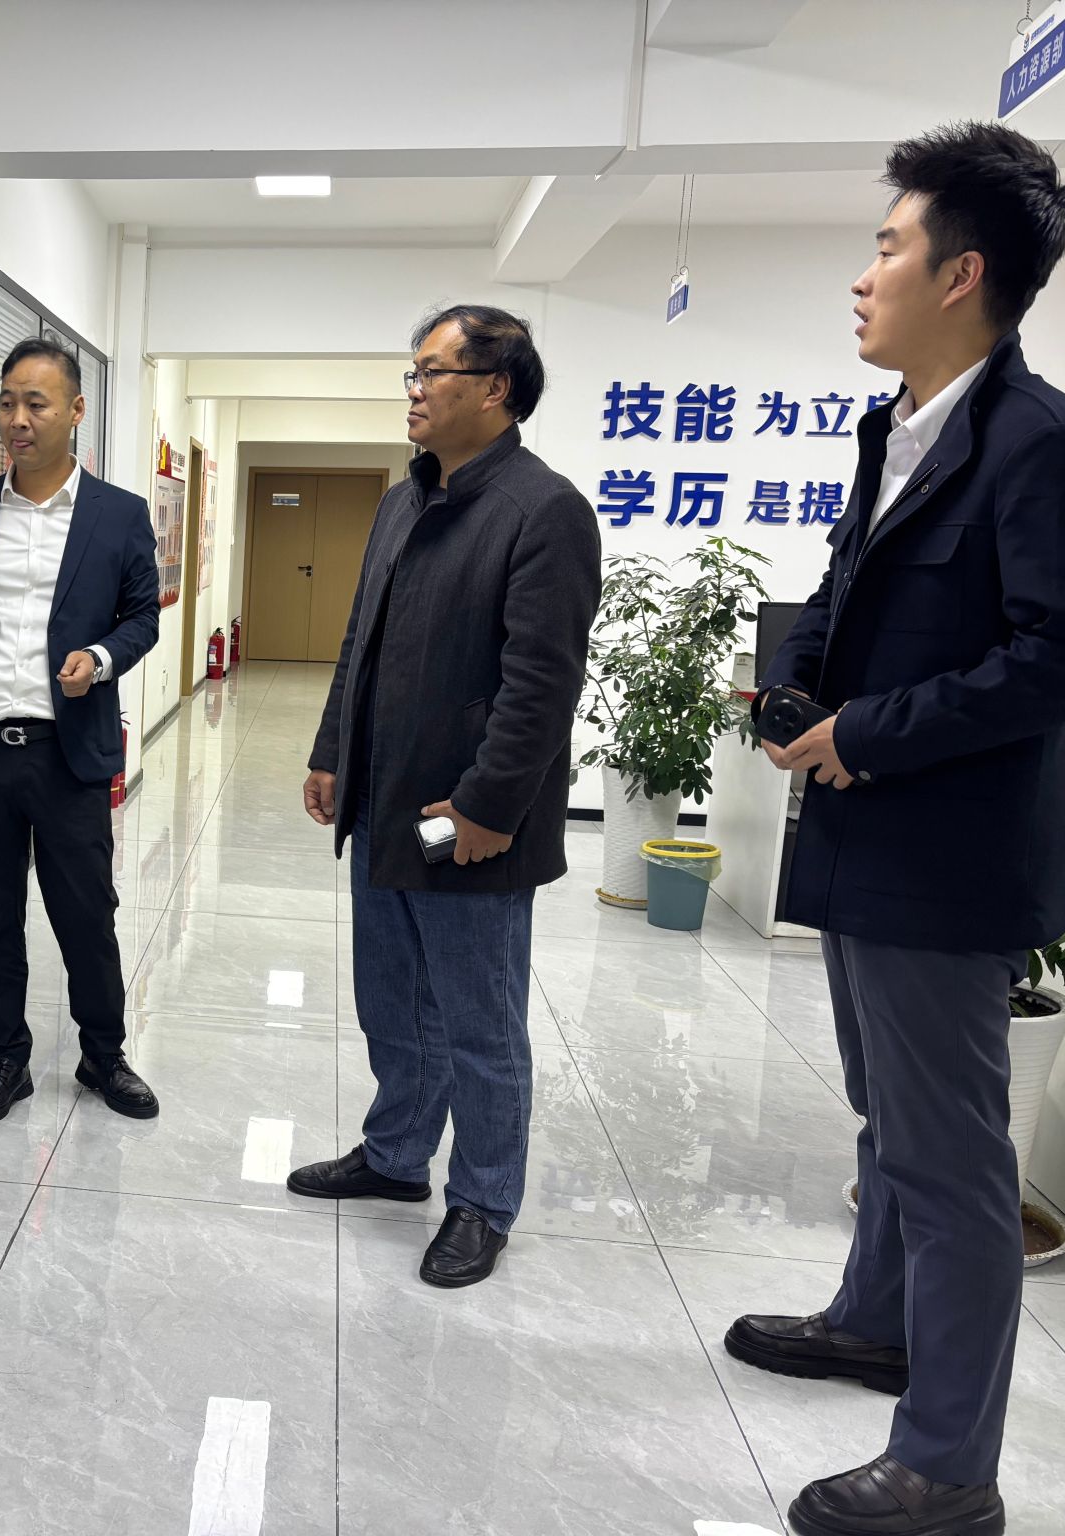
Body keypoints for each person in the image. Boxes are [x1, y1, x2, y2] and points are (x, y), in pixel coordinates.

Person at [725, 123, 1065, 1536]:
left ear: (960, 275)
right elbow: (845, 596)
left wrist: (870, 733)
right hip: (859, 838)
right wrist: (794, 686)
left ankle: (949, 1469)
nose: (863, 273)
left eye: (886, 247)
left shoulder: (1043, 444)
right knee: (884, 1114)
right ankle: (873, 1320)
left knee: (952, 1168)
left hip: (944, 864)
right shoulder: (894, 429)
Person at [287, 306, 600, 1289]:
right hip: (385, 806)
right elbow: (359, 642)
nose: (414, 390)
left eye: (433, 373)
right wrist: (331, 751)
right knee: (391, 1000)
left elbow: (540, 686)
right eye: (412, 374)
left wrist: (486, 810)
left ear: (496, 389)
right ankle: (394, 1156)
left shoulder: (542, 510)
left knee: (478, 1020)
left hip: (463, 822)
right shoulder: (402, 501)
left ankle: (484, 1200)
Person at [0, 337, 160, 1127]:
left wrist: (101, 658)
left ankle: (103, 1055)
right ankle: (6, 1059)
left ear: (75, 410)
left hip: (67, 755)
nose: (17, 419)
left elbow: (143, 616)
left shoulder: (118, 514)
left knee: (86, 916)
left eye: (36, 403)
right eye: (8, 401)